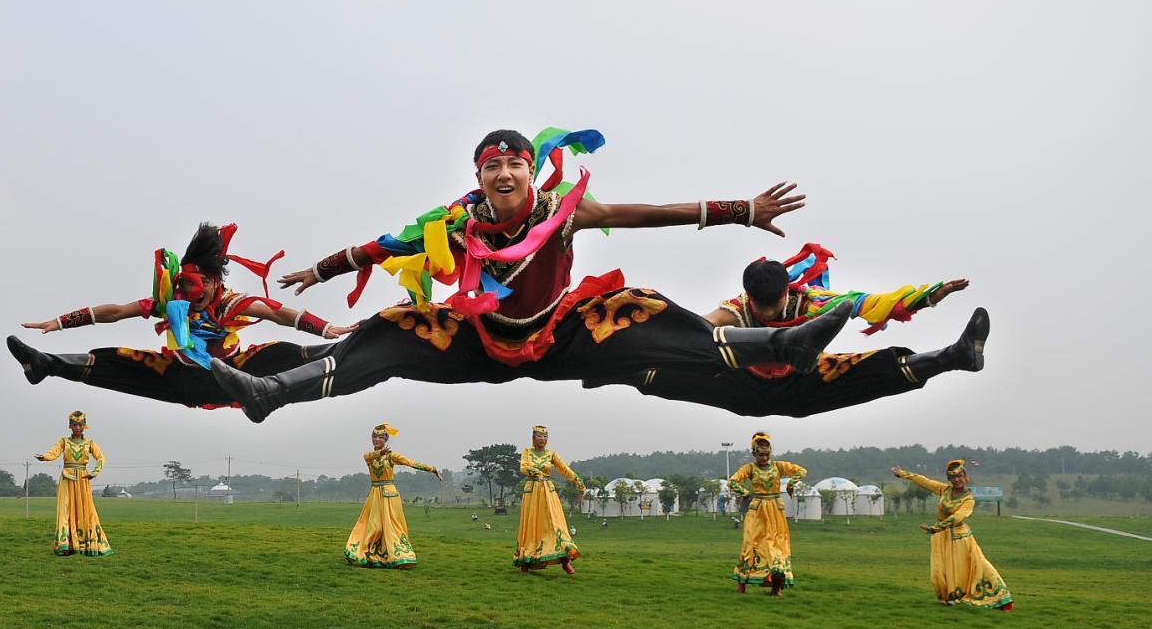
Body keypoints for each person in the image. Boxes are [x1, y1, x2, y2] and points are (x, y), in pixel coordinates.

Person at [210, 128, 850, 422]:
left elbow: (649, 214)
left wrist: (741, 211)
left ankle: (783, 344)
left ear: (527, 169)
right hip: (478, 338)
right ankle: (273, 393)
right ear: (479, 175)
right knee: (385, 331)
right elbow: (387, 244)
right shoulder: (456, 220)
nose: (506, 175)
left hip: (560, 334)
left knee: (642, 307)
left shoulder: (561, 212)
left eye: (515, 164)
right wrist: (322, 270)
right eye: (493, 167)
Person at [583, 244, 987, 417]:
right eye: (760, 306)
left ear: (786, 291)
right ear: (747, 296)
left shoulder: (813, 301)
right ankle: (614, 369)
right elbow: (697, 330)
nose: (767, 311)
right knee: (674, 369)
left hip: (803, 384)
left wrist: (931, 295)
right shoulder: (737, 308)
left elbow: (874, 303)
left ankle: (954, 357)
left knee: (875, 366)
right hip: (745, 387)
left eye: (773, 305)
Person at [7, 223, 355, 408]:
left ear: (216, 280)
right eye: (190, 284)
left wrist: (325, 329)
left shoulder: (229, 303)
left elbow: (277, 313)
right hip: (179, 378)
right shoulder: (172, 304)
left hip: (232, 375)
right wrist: (61, 321)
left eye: (204, 283)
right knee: (115, 358)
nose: (197, 292)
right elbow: (115, 311)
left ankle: (343, 355)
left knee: (281, 351)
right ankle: (43, 364)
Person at [893, 460, 1013, 610]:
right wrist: (903, 474)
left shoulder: (968, 499)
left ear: (965, 476)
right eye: (953, 478)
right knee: (939, 572)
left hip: (959, 537)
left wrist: (938, 527)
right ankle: (949, 596)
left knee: (974, 566)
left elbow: (958, 516)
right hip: (941, 537)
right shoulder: (945, 490)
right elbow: (925, 481)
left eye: (959, 476)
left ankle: (1000, 598)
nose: (957, 480)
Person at [344, 423, 442, 568]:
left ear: (385, 439)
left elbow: (410, 463)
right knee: (373, 526)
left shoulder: (392, 456)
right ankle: (369, 554)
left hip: (389, 494)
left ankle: (399, 556)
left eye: (380, 437)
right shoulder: (368, 456)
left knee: (392, 526)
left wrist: (432, 469)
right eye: (374, 437)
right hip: (375, 495)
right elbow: (372, 455)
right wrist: (381, 453)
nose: (376, 440)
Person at [727, 432, 805, 596]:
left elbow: (801, 471)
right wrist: (746, 493)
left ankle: (776, 586)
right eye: (761, 454)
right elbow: (732, 481)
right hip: (758, 510)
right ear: (754, 454)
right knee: (752, 545)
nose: (764, 458)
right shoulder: (749, 468)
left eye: (767, 454)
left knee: (777, 545)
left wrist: (791, 483)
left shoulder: (778, 466)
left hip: (776, 510)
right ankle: (742, 582)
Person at [35, 411, 112, 557]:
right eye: (75, 425)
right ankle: (65, 544)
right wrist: (45, 457)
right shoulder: (64, 441)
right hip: (67, 479)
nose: (77, 427)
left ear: (84, 426)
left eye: (80, 425)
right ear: (70, 426)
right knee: (65, 509)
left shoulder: (90, 443)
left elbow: (101, 458)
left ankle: (85, 543)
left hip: (83, 479)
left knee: (85, 509)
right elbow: (54, 452)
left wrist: (94, 472)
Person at [514, 425, 586, 574]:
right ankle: (525, 561)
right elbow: (523, 467)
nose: (543, 439)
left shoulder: (551, 454)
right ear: (533, 438)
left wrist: (580, 484)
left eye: (545, 436)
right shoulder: (527, 452)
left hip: (548, 491)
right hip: (532, 491)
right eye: (539, 436)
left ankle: (565, 560)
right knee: (531, 524)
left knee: (555, 523)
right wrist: (537, 472)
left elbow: (565, 469)